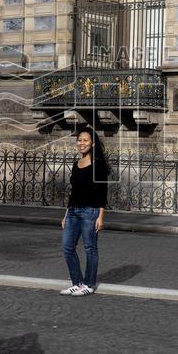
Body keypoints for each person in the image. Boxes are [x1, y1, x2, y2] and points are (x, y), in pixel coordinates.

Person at [60, 127, 108, 297]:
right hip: (73, 211)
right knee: (67, 247)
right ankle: (77, 283)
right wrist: (66, 215)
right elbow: (73, 192)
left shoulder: (99, 165)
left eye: (85, 140)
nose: (82, 143)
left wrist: (101, 217)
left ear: (92, 143)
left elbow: (102, 192)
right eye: (79, 140)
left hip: (90, 211)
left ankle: (89, 284)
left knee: (90, 248)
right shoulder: (76, 164)